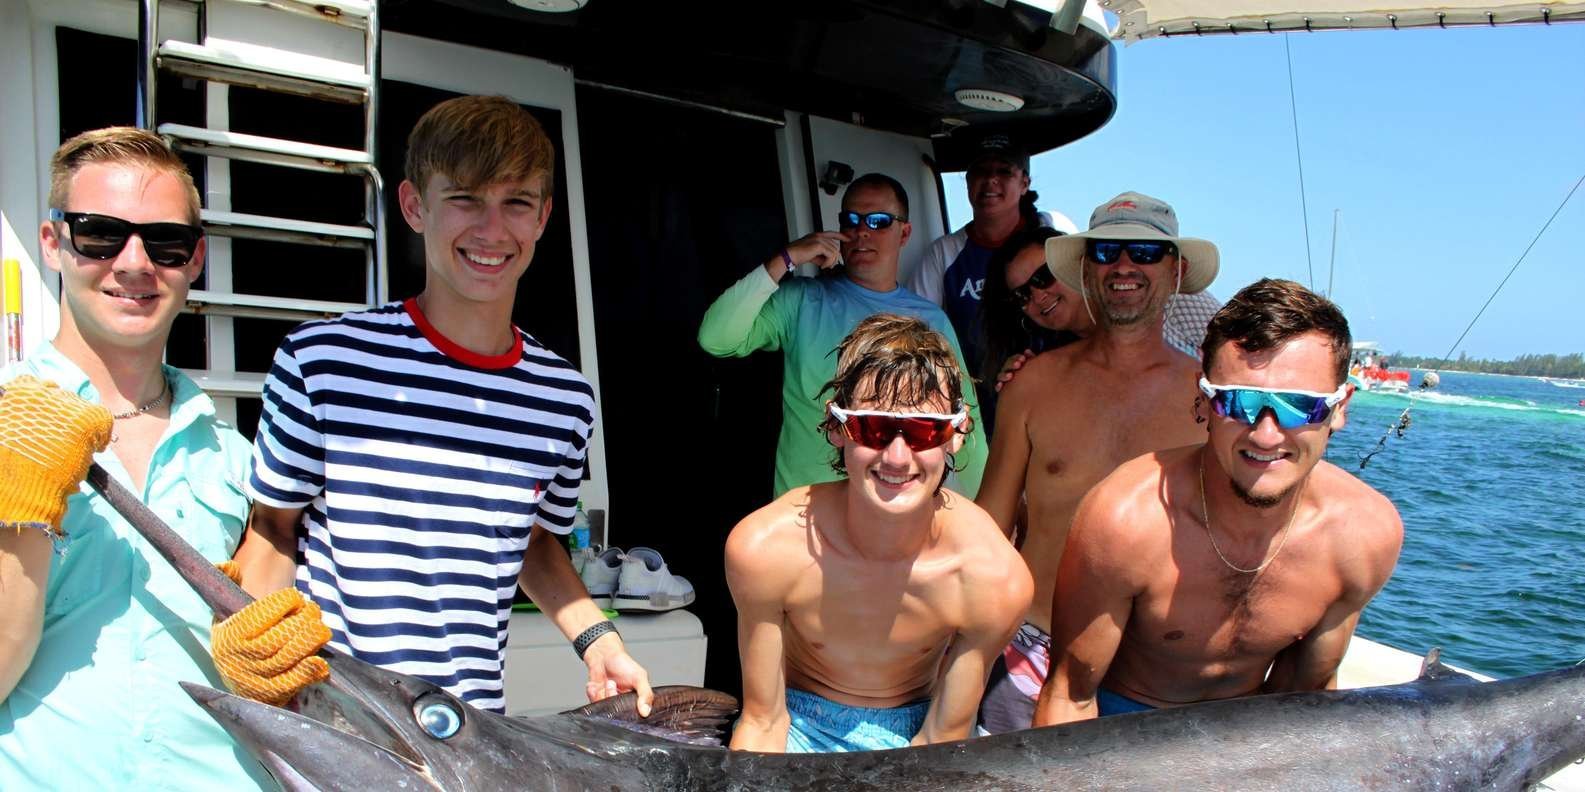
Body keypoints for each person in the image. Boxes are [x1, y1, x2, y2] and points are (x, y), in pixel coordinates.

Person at [226, 95, 653, 716]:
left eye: (516, 202)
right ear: (413, 206)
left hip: (470, 730)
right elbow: (272, 528)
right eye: (464, 198)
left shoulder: (566, 399)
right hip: (334, 716)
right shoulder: (321, 361)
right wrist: (256, 659)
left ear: (543, 217)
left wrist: (599, 641)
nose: (492, 230)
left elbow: (536, 543)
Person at [0, 127, 272, 788]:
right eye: (99, 234)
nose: (133, 263)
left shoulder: (240, 460)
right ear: (52, 242)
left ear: (195, 259)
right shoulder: (5, 424)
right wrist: (21, 511)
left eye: (165, 242)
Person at [1033, 278, 1403, 724]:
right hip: (1123, 724)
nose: (1266, 434)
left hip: (1252, 730)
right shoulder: (1124, 519)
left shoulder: (1365, 535)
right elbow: (1070, 696)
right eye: (1238, 402)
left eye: (1299, 405)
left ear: (1340, 407)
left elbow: (1302, 696)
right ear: (1204, 397)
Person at [725, 314, 1030, 752]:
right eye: (874, 427)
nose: (897, 458)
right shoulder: (767, 549)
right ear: (838, 427)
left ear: (957, 433)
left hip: (918, 737)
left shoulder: (993, 577)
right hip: (797, 727)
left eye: (924, 430)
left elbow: (941, 738)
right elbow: (763, 721)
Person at [974, 191, 1216, 734]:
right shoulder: (1031, 384)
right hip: (1028, 652)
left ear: (1176, 272)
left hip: (1150, 674)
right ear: (1086, 269)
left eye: (1145, 252)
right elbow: (988, 528)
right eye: (1107, 251)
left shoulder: (1212, 402)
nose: (1124, 265)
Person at [698, 173, 987, 498]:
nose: (862, 231)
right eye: (851, 220)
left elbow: (966, 420)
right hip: (804, 513)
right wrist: (787, 258)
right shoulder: (801, 300)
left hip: (892, 508)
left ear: (904, 233)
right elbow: (716, 338)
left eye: (878, 221)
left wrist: (985, 511)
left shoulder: (930, 320)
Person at [907, 134, 1073, 427]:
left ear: (1024, 183)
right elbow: (914, 335)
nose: (991, 180)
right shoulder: (945, 253)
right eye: (981, 171)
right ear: (968, 182)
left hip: (1062, 397)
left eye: (1004, 171)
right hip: (979, 415)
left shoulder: (1054, 231)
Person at [981, 229, 1225, 397]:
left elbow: (1240, 355)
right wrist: (1019, 382)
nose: (1038, 296)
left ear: (1080, 268)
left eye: (1043, 277)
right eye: (1022, 294)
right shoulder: (1049, 366)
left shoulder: (1171, 298)